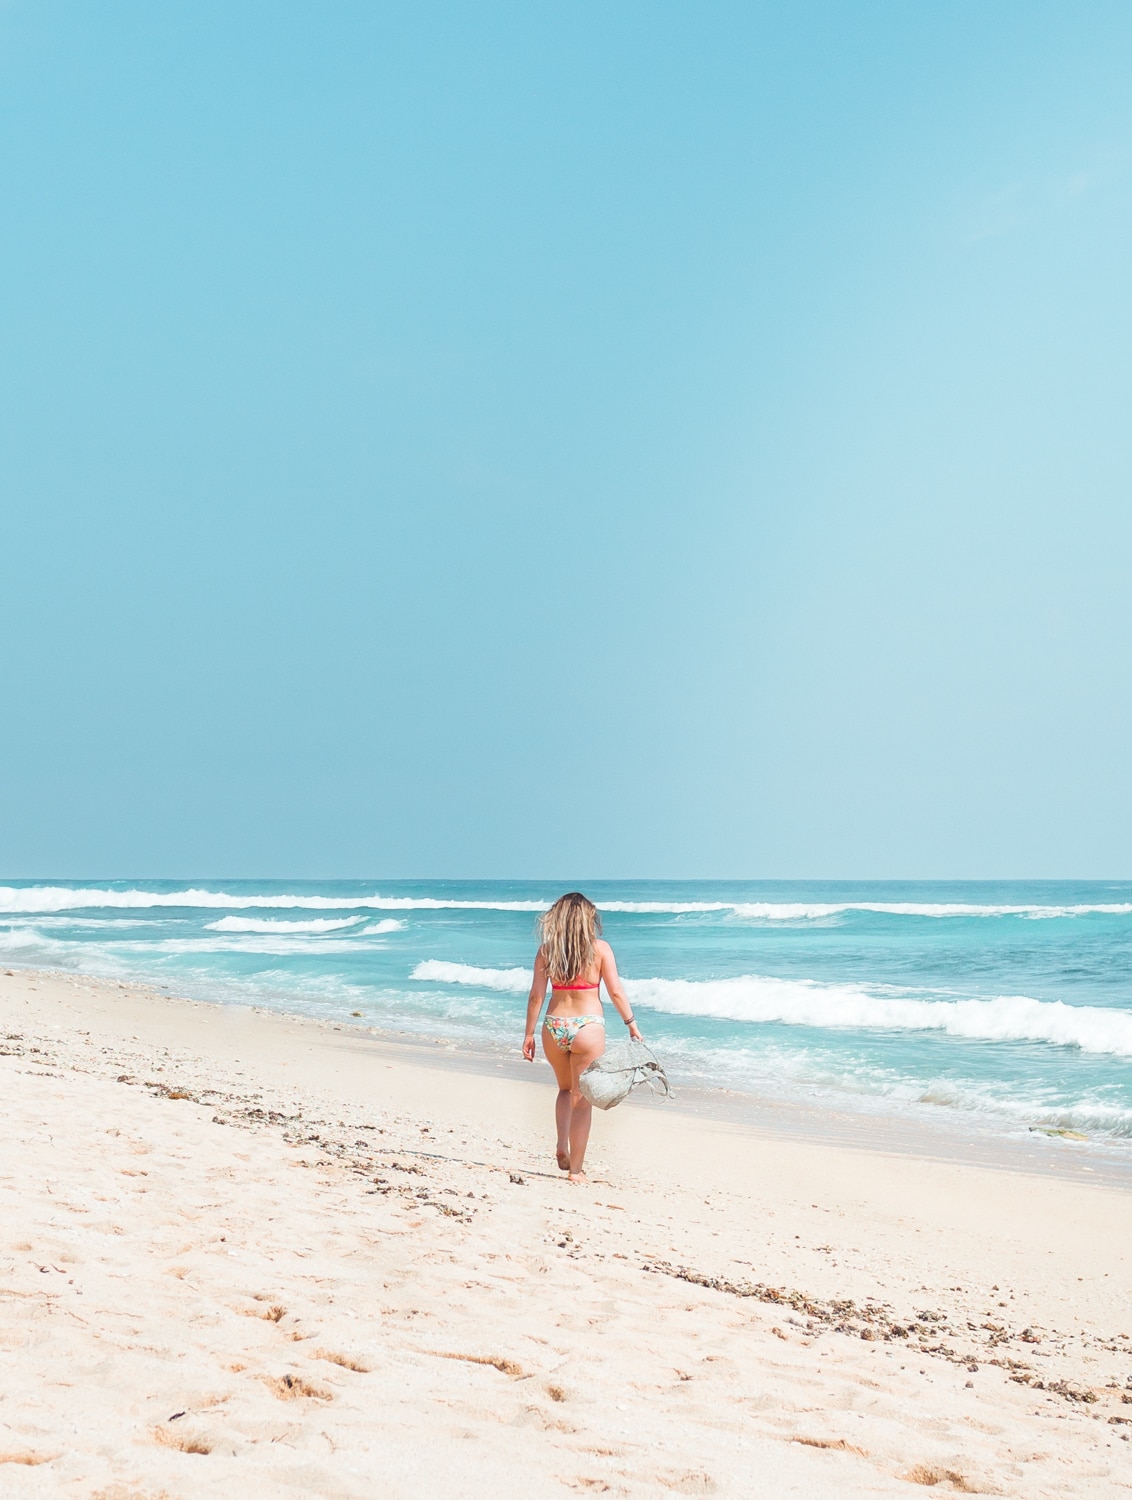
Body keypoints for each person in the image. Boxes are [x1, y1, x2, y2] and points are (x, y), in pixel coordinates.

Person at [522, 891, 642, 1183]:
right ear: (588, 919)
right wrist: (632, 1024)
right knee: (582, 1099)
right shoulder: (600, 949)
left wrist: (528, 1033)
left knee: (564, 1090)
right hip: (587, 1027)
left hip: (554, 1025)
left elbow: (537, 996)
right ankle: (576, 1171)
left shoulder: (547, 951)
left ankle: (561, 1144)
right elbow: (615, 991)